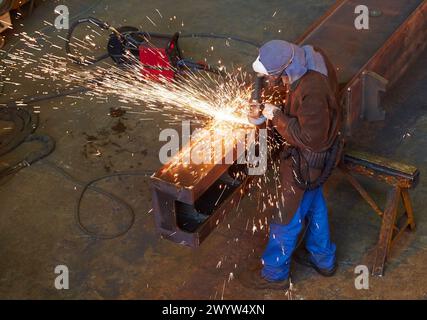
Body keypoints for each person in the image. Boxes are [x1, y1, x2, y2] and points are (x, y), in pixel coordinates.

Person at [240, 40, 343, 290]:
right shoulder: (308, 55)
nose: (271, 80)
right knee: (314, 205)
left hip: (309, 160)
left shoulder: (313, 91)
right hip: (319, 157)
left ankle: (274, 273)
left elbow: (311, 139)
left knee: (286, 216)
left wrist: (275, 115)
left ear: (284, 67)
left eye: (272, 76)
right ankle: (324, 258)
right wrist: (271, 109)